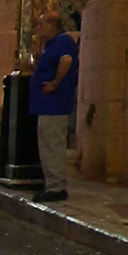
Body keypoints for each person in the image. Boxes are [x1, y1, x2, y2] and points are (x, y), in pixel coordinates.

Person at [29, 12, 79, 203]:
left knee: (53, 146)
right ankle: (51, 183)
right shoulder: (51, 44)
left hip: (54, 105)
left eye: (42, 25)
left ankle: (56, 186)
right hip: (46, 105)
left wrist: (55, 83)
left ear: (52, 25)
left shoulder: (62, 42)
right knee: (47, 145)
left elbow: (66, 60)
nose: (39, 30)